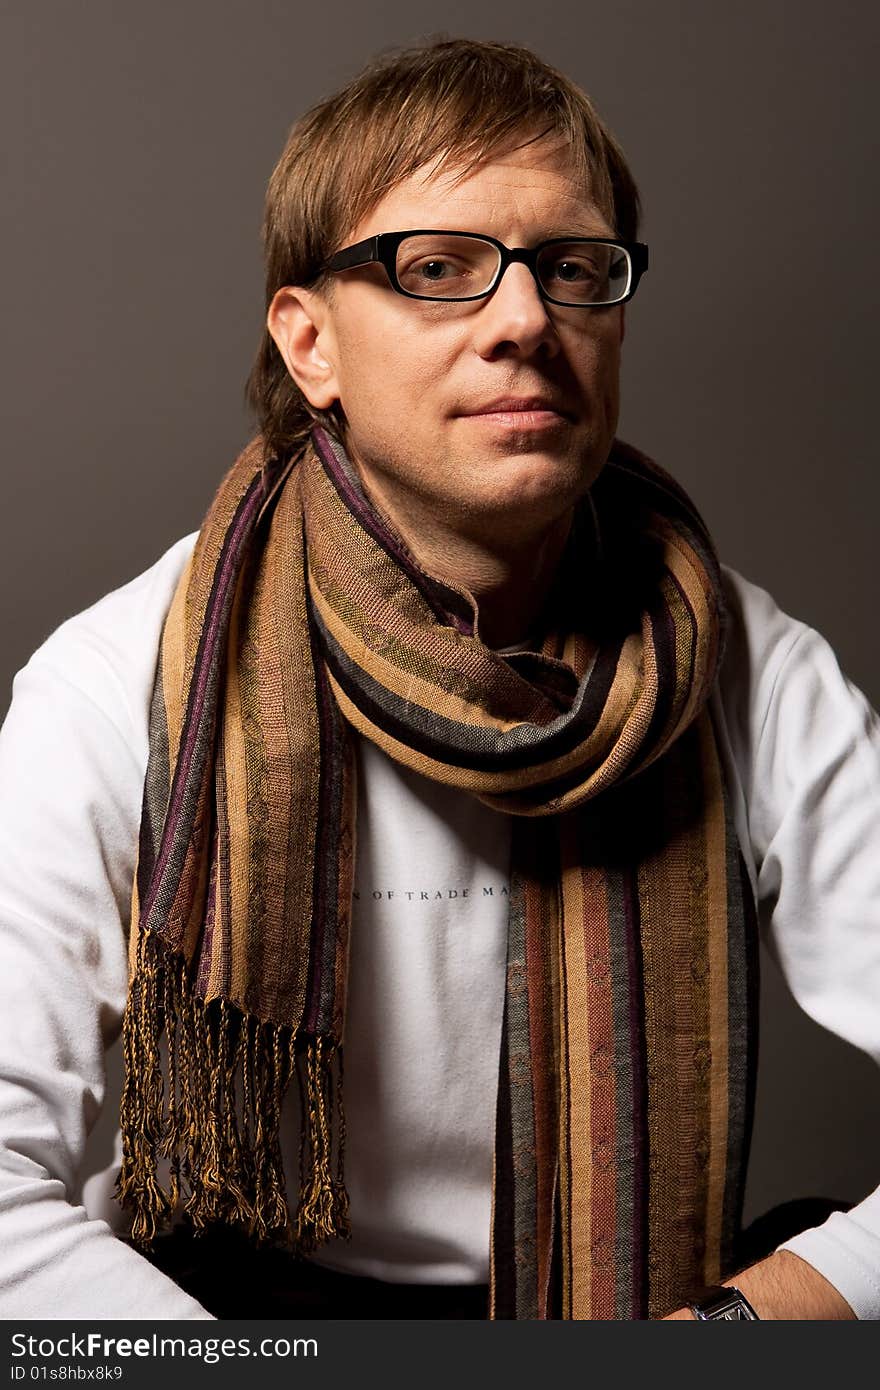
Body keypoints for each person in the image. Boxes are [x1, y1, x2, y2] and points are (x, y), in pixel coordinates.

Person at [1, 36, 879, 1322]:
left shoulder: (744, 668)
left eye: (573, 269)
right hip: (235, 1323)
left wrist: (737, 1335)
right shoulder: (119, 680)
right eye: (438, 270)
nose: (526, 320)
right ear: (311, 348)